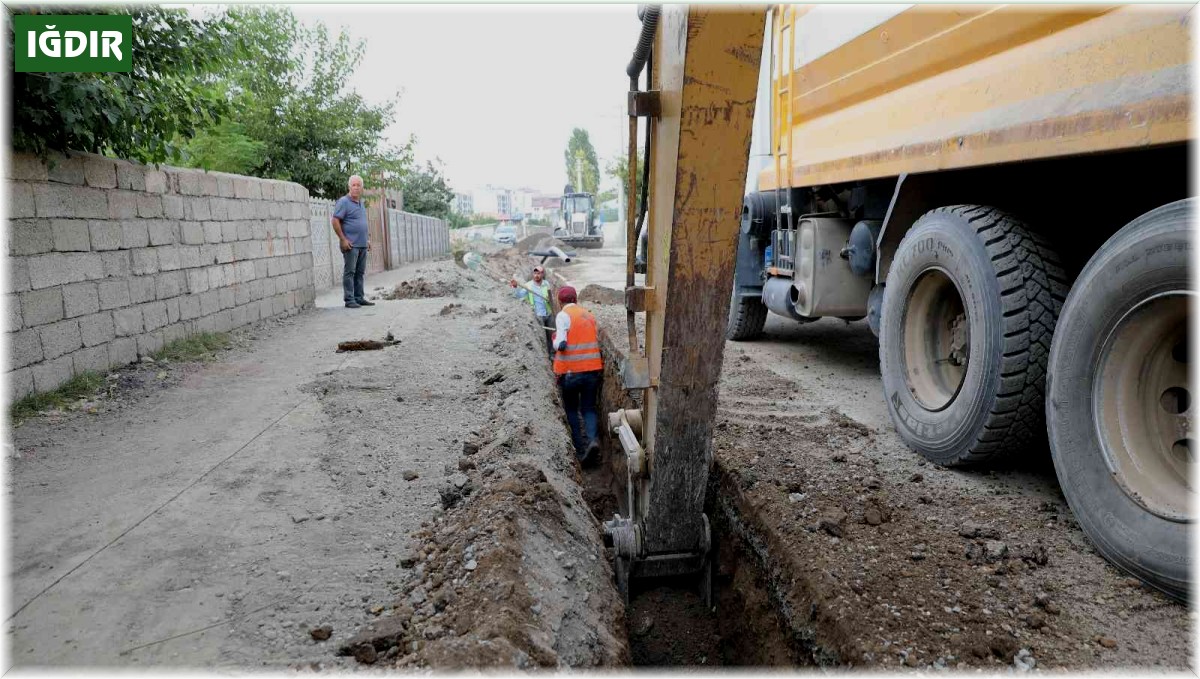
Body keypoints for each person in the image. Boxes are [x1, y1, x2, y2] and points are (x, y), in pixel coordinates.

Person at [552, 286, 603, 465]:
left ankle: (580, 451)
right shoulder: (588, 315)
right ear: (576, 300)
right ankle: (593, 440)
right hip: (592, 371)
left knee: (572, 409)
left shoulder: (562, 316)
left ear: (560, 302)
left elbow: (562, 344)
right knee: (588, 408)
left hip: (571, 373)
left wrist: (554, 340)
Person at [331, 175, 375, 309]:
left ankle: (359, 297)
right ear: (349, 187)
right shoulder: (343, 202)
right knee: (350, 272)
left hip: (362, 244)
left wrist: (366, 240)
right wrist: (343, 239)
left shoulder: (361, 203)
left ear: (362, 188)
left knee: (360, 272)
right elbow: (335, 220)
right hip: (350, 245)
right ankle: (349, 300)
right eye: (353, 185)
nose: (356, 187)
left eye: (358, 185)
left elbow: (361, 223)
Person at [509, 266, 553, 355]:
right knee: (543, 338)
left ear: (542, 274)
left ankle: (552, 354)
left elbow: (551, 297)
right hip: (538, 315)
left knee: (551, 337)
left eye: (539, 273)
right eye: (535, 273)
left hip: (548, 314)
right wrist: (515, 287)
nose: (536, 275)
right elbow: (518, 296)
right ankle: (545, 356)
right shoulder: (528, 285)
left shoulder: (546, 284)